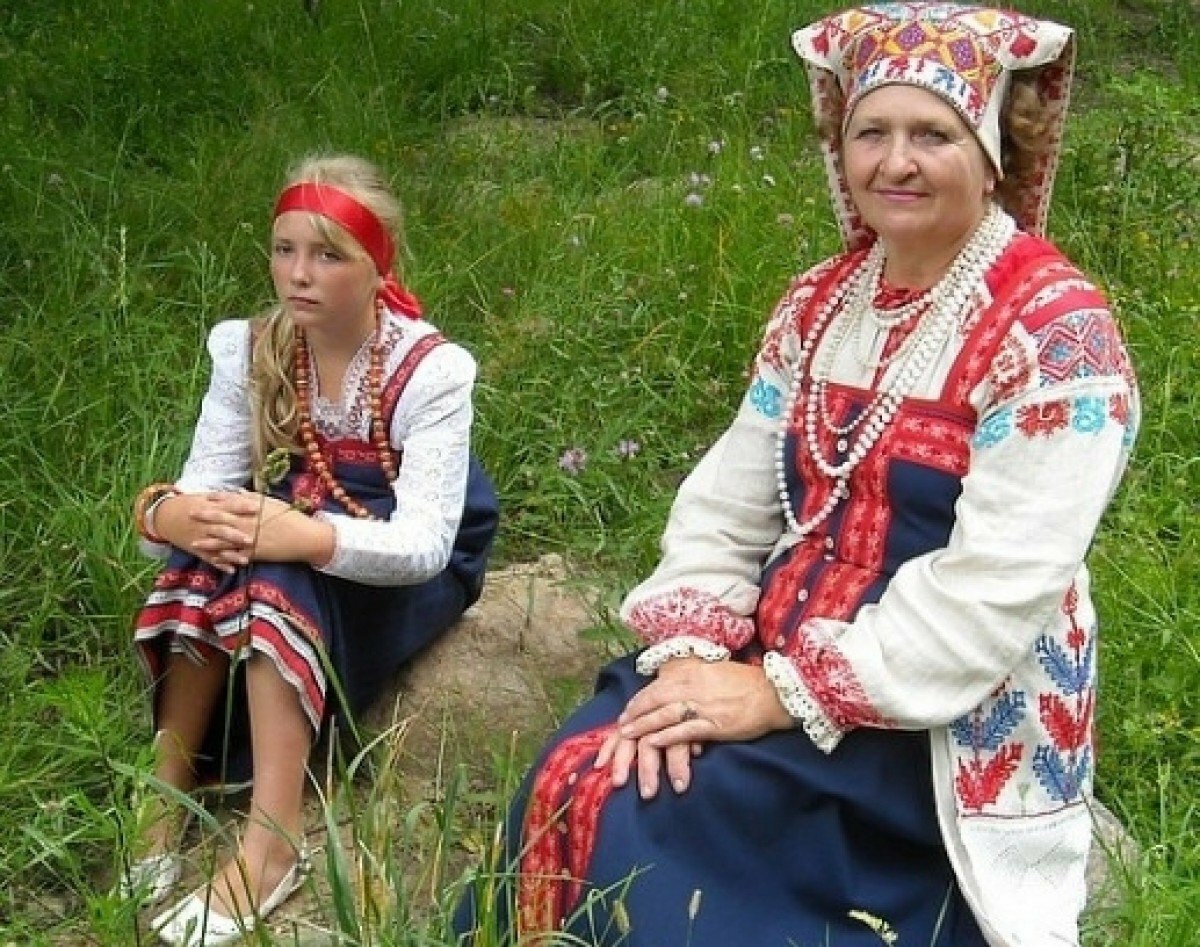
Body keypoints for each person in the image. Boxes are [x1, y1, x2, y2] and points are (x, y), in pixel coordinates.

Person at [454, 4, 1138, 946]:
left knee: (651, 820)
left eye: (933, 134)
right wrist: (696, 649)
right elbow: (728, 500)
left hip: (930, 716)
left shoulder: (1055, 331)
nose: (895, 163)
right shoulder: (822, 303)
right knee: (583, 765)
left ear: (991, 154)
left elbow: (998, 589)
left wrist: (777, 694)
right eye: (872, 132)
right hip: (772, 656)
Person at [124, 153, 499, 946]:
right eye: (285, 249)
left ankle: (273, 834)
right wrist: (176, 516)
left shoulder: (428, 372)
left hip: (392, 554)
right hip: (294, 515)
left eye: (329, 254)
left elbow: (425, 541)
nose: (300, 274)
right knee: (215, 546)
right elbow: (207, 481)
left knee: (273, 566)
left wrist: (301, 533)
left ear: (377, 265)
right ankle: (169, 786)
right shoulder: (252, 347)